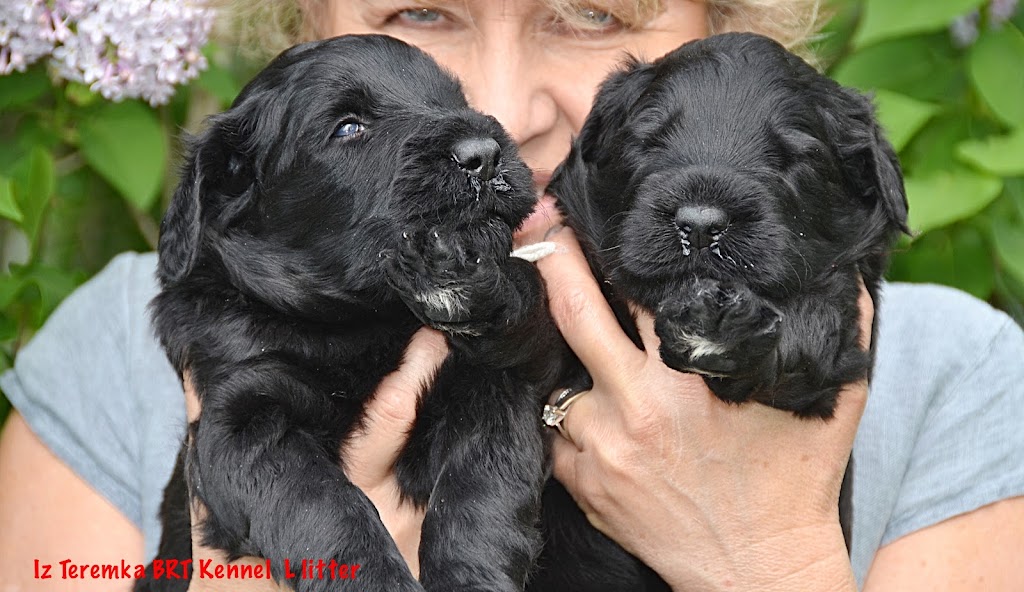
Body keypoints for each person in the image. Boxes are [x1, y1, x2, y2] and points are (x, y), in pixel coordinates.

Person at [1, 1, 1023, 590]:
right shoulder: (118, 355)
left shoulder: (955, 381)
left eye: (591, 14)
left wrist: (765, 551)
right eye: (420, 11)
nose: (501, 109)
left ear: (720, 25)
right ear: (309, 20)